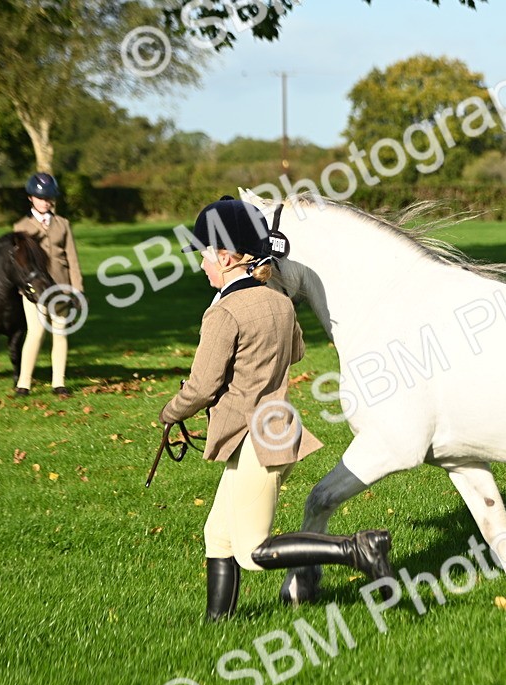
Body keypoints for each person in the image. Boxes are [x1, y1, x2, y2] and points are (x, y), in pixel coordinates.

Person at [161, 196, 395, 621]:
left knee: (252, 551)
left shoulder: (223, 313)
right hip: (279, 426)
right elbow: (298, 351)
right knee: (219, 535)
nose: (201, 265)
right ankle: (218, 624)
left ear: (229, 258)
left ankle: (356, 548)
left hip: (254, 437)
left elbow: (202, 386)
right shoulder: (280, 302)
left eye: (205, 256)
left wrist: (171, 412)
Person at [13, 172, 83, 397]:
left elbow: (72, 258)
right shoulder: (21, 227)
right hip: (35, 290)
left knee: (61, 333)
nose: (46, 202)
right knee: (36, 332)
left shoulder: (63, 224)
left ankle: (58, 383)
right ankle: (24, 383)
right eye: (41, 198)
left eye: (50, 198)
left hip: (62, 287)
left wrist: (78, 288)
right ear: (31, 198)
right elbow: (18, 262)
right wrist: (23, 288)